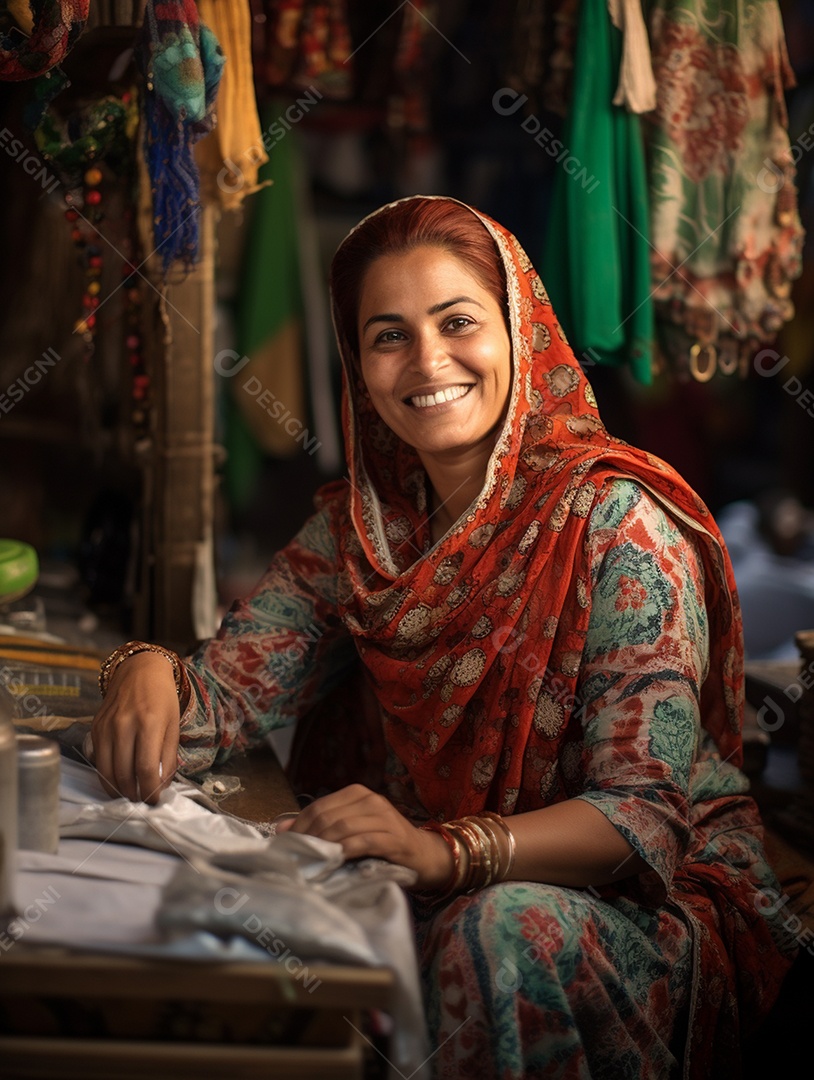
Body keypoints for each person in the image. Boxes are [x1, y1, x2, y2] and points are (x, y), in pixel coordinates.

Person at [91, 196, 796, 1078]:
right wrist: (144, 667)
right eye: (388, 336)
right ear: (356, 363)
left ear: (519, 334)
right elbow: (224, 699)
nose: (427, 361)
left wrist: (446, 852)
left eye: (457, 321)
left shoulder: (619, 526)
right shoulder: (362, 536)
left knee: (494, 931)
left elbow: (639, 818)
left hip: (643, 905)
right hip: (437, 877)